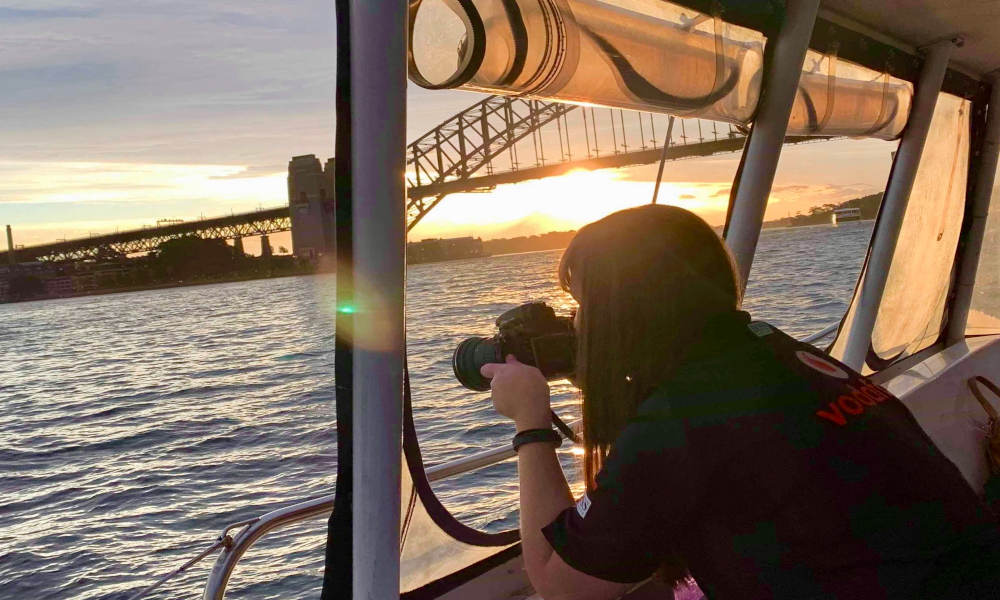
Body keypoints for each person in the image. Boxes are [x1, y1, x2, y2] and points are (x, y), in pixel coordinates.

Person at [480, 204, 1000, 600]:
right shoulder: (777, 352)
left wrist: (530, 419)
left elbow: (560, 584)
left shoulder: (681, 420)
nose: (579, 326)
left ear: (623, 314)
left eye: (585, 307)